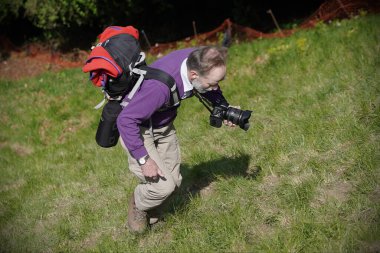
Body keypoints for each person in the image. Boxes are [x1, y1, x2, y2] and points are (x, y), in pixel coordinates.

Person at [116, 46, 235, 233]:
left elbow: (211, 90)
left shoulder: (199, 59)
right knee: (163, 187)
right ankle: (138, 203)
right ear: (194, 75)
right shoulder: (159, 88)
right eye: (212, 84)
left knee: (175, 183)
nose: (215, 88)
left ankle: (153, 217)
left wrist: (223, 107)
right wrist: (144, 159)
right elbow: (125, 120)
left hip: (163, 126)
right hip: (139, 130)